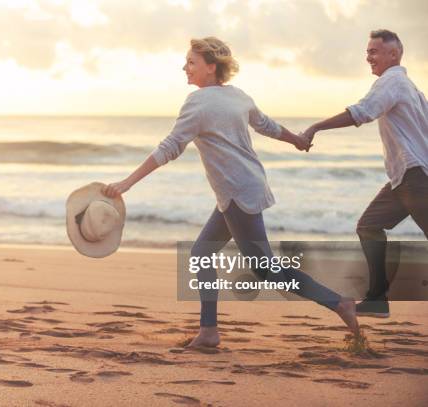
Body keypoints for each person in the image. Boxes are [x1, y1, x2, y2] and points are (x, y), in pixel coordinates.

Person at [102, 37, 359, 348]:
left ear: (211, 67)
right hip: (243, 188)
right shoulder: (238, 96)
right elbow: (266, 125)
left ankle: (338, 302)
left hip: (237, 192)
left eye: (192, 62)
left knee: (266, 270)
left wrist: (127, 182)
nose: (185, 67)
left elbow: (170, 147)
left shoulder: (197, 102)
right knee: (202, 253)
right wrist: (296, 140)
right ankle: (208, 331)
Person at [301, 29, 428, 318]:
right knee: (369, 225)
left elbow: (362, 112)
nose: (367, 56)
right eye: (367, 51)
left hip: (415, 178)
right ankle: (377, 299)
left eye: (374, 51)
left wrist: (314, 127)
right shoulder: (410, 87)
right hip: (404, 179)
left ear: (393, 54)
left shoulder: (392, 81)